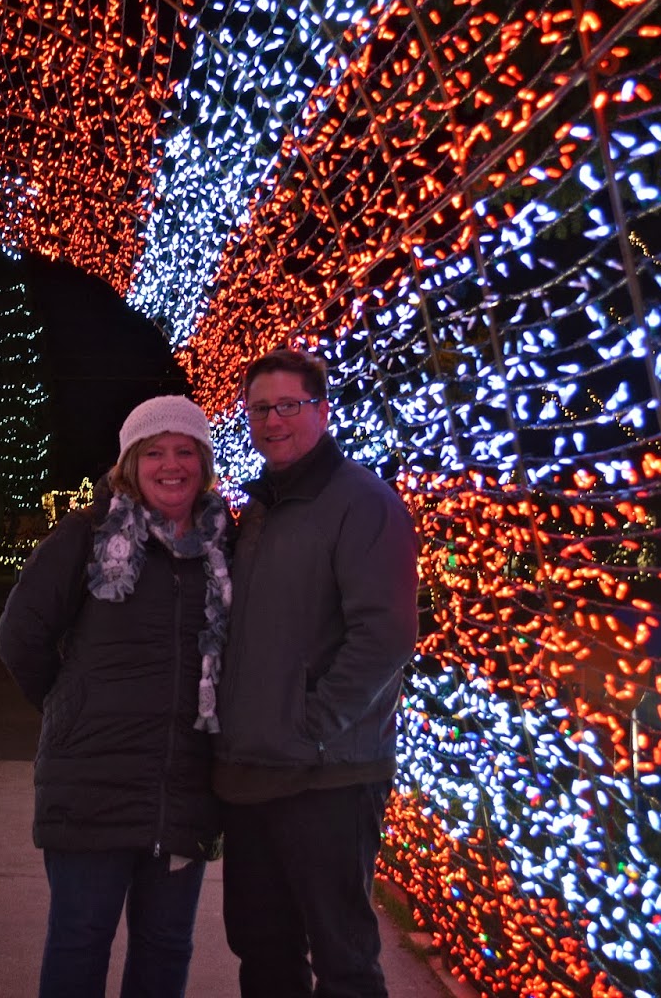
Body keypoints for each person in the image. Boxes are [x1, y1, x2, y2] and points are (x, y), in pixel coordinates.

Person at [0, 395, 232, 998]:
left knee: (165, 948)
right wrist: (70, 707)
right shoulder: (85, 536)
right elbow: (20, 636)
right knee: (80, 939)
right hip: (91, 786)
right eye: (154, 452)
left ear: (204, 462)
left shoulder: (223, 549)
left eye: (186, 451)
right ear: (129, 463)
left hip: (184, 786)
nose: (170, 464)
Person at [213, 350, 419, 998]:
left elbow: (384, 635)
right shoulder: (262, 511)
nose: (272, 421)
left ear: (323, 411)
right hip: (252, 773)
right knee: (263, 948)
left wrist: (310, 726)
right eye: (259, 408)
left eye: (288, 406)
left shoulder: (360, 502)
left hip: (326, 775)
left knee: (342, 958)